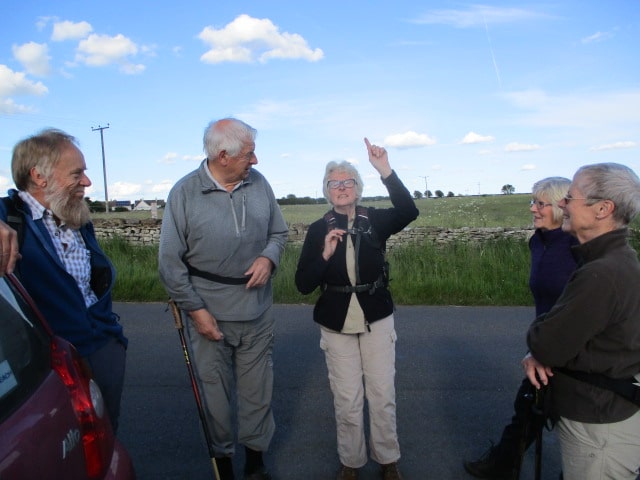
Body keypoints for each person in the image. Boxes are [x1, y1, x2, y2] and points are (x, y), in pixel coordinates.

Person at [158, 118, 287, 480]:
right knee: (215, 394)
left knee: (258, 390)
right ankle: (224, 463)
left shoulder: (259, 184)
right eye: (250, 154)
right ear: (224, 154)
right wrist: (195, 310)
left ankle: (256, 462)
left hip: (257, 310)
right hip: (209, 313)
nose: (256, 161)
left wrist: (268, 257)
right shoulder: (184, 193)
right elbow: (170, 263)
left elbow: (279, 232)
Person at [295, 138, 419, 480]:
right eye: (334, 183)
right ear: (327, 190)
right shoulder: (319, 228)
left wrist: (385, 170)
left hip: (376, 315)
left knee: (382, 394)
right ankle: (351, 462)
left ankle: (388, 458)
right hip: (335, 321)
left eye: (347, 182)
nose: (341, 187)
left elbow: (409, 211)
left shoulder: (374, 220)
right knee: (347, 398)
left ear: (358, 188)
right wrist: (323, 254)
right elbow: (303, 284)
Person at [0, 128, 128, 432]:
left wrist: (113, 341)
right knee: (62, 449)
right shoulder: (8, 216)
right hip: (48, 368)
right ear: (39, 176)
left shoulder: (75, 218)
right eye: (77, 173)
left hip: (102, 347)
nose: (87, 182)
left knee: (105, 438)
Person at [525, 163, 640, 480]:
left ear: (603, 208)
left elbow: (546, 343)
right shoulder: (613, 261)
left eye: (570, 197)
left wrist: (538, 341)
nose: (562, 204)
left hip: (598, 425)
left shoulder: (601, 273)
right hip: (604, 413)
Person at [463, 177, 578, 479]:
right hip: (544, 342)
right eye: (533, 202)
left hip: (572, 346)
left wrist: (552, 345)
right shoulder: (538, 242)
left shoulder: (577, 246)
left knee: (574, 422)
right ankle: (503, 465)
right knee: (527, 407)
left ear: (561, 207)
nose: (532, 209)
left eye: (540, 204)